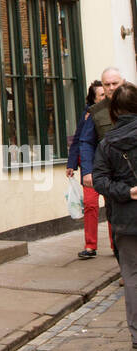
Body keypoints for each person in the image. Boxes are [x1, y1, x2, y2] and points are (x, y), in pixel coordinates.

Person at [90, 81, 137, 349]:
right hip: (126, 215)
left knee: (131, 276)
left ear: (115, 111)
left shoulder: (108, 143)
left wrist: (126, 192)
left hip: (125, 219)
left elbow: (99, 180)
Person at [76, 66, 125, 260]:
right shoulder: (96, 111)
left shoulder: (133, 103)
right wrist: (87, 171)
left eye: (115, 83)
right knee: (116, 218)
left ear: (123, 82)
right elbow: (86, 142)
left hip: (131, 172)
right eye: (107, 84)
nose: (111, 88)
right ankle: (124, 264)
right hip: (110, 175)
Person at [66, 80, 104, 258]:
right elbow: (79, 140)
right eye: (101, 95)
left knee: (114, 206)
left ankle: (116, 245)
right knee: (90, 205)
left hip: (110, 167)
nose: (105, 97)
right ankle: (90, 246)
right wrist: (71, 164)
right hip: (90, 167)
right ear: (94, 99)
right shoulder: (88, 115)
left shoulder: (115, 112)